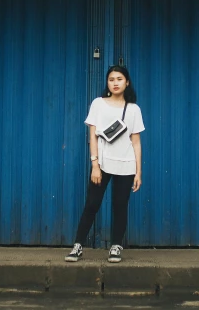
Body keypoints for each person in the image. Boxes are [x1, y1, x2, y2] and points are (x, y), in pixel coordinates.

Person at [65, 65, 144, 263]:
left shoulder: (133, 109)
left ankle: (116, 246)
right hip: (103, 163)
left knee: (120, 205)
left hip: (126, 164)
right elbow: (93, 136)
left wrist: (138, 172)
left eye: (119, 79)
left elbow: (136, 142)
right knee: (92, 203)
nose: (115, 82)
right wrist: (95, 164)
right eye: (111, 79)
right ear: (107, 83)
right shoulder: (98, 104)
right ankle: (78, 245)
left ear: (127, 82)